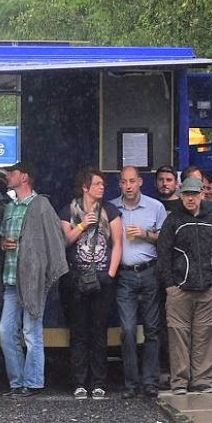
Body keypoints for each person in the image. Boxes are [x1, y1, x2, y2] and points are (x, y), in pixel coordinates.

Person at [0, 162, 68, 398]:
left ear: (25, 177)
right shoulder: (9, 207)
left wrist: (45, 271)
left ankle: (33, 382)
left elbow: (55, 240)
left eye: (12, 172)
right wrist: (2, 244)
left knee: (31, 332)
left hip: (32, 279)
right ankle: (17, 382)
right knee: (6, 331)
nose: (8, 176)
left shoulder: (41, 206)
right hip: (10, 279)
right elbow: (2, 240)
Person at [156, 177, 212, 395]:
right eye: (186, 194)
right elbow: (163, 253)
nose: (190, 199)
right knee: (178, 336)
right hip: (180, 289)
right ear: (181, 195)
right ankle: (179, 382)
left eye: (194, 194)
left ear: (202, 195)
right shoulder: (173, 219)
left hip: (208, 288)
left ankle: (202, 380)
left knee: (207, 334)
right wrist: (169, 285)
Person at [59, 167, 123, 400]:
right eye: (97, 184)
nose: (101, 187)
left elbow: (118, 243)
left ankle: (98, 382)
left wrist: (111, 274)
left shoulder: (110, 211)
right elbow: (64, 241)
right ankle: (78, 381)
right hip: (76, 279)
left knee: (99, 332)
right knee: (78, 332)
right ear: (85, 187)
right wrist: (82, 225)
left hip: (102, 279)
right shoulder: (69, 210)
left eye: (103, 184)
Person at [110, 166, 167, 399]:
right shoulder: (112, 208)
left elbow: (165, 240)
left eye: (132, 181)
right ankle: (131, 383)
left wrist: (145, 234)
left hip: (149, 272)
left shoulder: (156, 207)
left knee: (153, 330)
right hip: (124, 275)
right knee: (128, 329)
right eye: (124, 182)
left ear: (140, 182)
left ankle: (150, 382)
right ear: (120, 184)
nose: (129, 186)